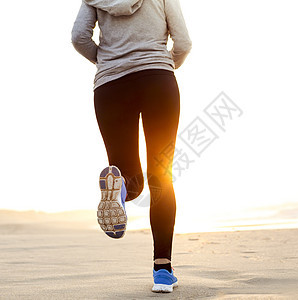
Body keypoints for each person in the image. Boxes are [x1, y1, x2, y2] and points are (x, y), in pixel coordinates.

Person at [71, 0, 192, 293]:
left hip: (111, 86)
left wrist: (108, 61)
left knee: (129, 175)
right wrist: (164, 63)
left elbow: (79, 37)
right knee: (161, 175)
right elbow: (184, 42)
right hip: (157, 81)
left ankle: (121, 185)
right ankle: (162, 271)